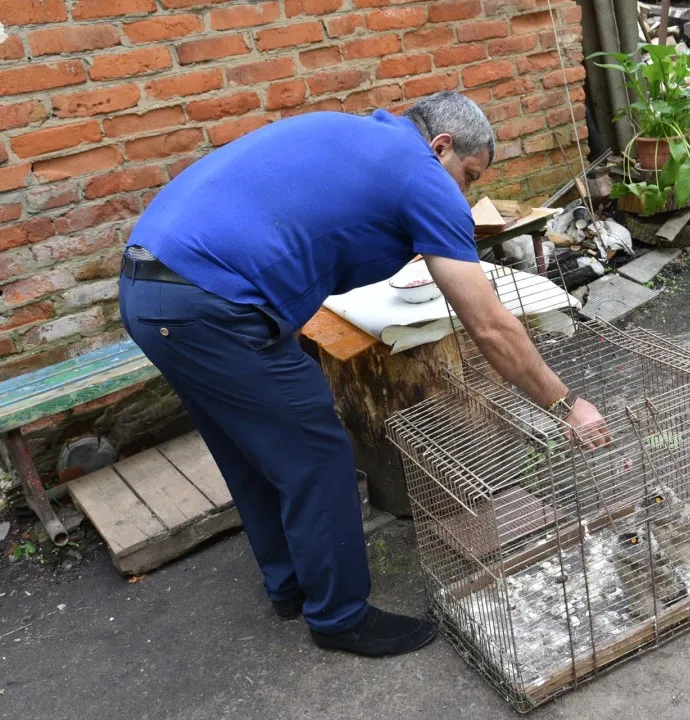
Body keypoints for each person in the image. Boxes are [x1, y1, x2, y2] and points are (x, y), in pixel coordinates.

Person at [118, 91, 609, 658]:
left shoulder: (357, 135)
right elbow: (492, 327)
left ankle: (291, 588)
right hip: (210, 303)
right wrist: (566, 403)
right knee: (319, 451)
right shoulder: (422, 174)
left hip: (148, 288)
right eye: (468, 177)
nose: (466, 196)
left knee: (249, 449)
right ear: (441, 147)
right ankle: (340, 617)